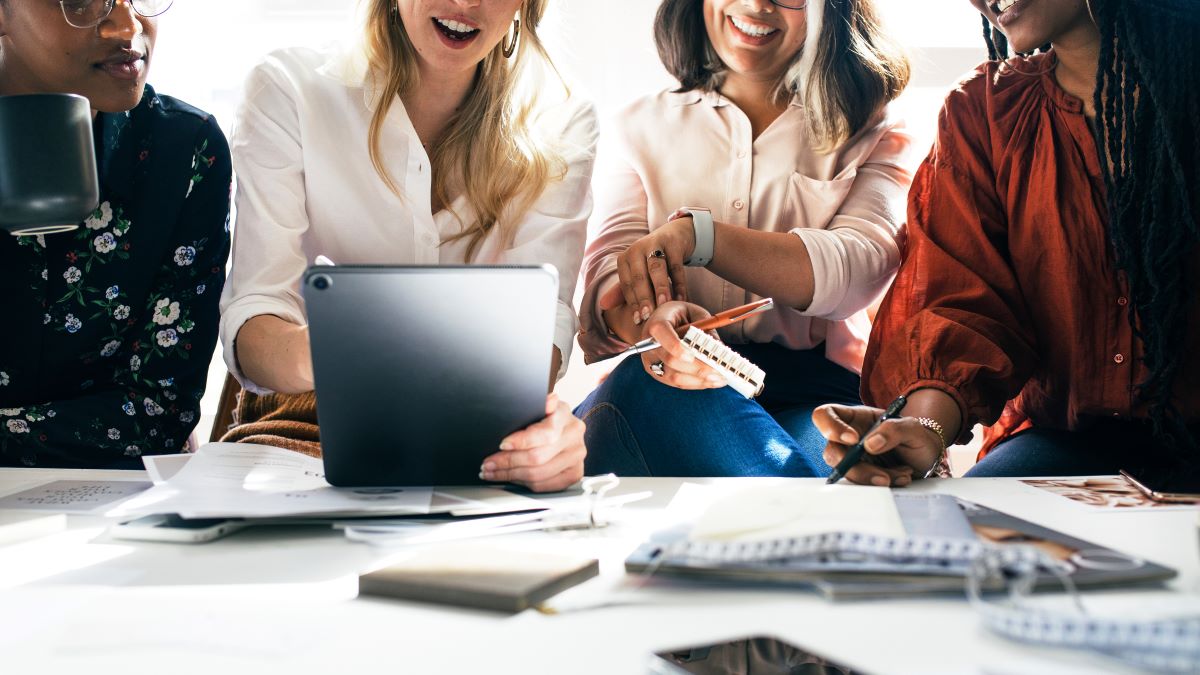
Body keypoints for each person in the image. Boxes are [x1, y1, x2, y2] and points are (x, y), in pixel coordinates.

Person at [813, 0, 1200, 486]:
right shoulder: (985, 110)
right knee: (963, 539)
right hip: (1066, 439)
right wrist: (924, 430)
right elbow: (962, 308)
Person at [220, 0, 597, 492]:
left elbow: (543, 325)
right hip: (306, 409)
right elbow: (254, 311)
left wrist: (542, 440)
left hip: (479, 418)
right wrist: (332, 356)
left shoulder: (561, 119)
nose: (466, 3)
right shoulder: (291, 88)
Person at [574, 0, 912, 477]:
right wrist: (660, 318)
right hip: (665, 376)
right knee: (648, 389)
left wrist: (700, 237)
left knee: (838, 472)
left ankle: (809, 532)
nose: (757, 5)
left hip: (813, 392)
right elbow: (609, 276)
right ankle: (817, 535)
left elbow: (857, 270)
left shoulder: (875, 130)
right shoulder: (638, 125)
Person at [0, 0, 232, 468]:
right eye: (79, 2)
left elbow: (160, 415)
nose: (128, 26)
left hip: (109, 510)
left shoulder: (184, 148)